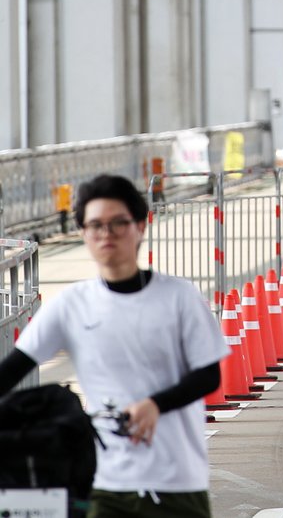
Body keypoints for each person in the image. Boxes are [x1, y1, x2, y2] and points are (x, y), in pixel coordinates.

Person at [0, 175, 226, 516]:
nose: (106, 234)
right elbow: (12, 370)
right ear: (83, 233)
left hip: (177, 485)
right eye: (95, 225)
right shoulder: (72, 304)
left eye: (118, 223)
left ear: (139, 226)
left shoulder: (179, 297)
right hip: (107, 486)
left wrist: (155, 405)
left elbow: (208, 376)